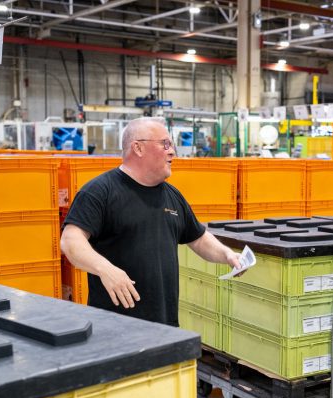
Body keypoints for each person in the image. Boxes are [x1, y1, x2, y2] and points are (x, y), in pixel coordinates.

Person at [60, 117, 242, 327]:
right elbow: (70, 241)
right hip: (114, 327)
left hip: (165, 324)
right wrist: (105, 268)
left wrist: (227, 255)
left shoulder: (172, 196)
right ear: (137, 148)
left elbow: (198, 238)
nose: (172, 151)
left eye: (171, 144)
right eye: (165, 144)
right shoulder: (100, 192)